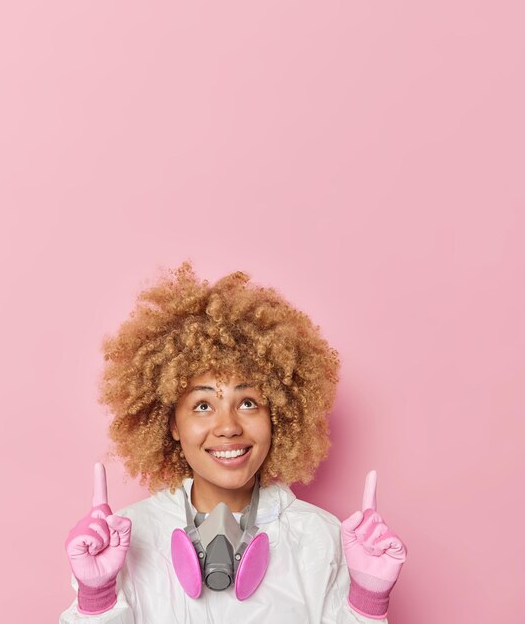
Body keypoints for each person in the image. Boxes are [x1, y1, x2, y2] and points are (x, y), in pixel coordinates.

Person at [59, 262, 407, 623]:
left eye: (248, 403)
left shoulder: (322, 538)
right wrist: (96, 597)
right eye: (203, 405)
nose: (228, 427)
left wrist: (368, 601)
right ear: (171, 423)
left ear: (278, 415)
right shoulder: (124, 539)